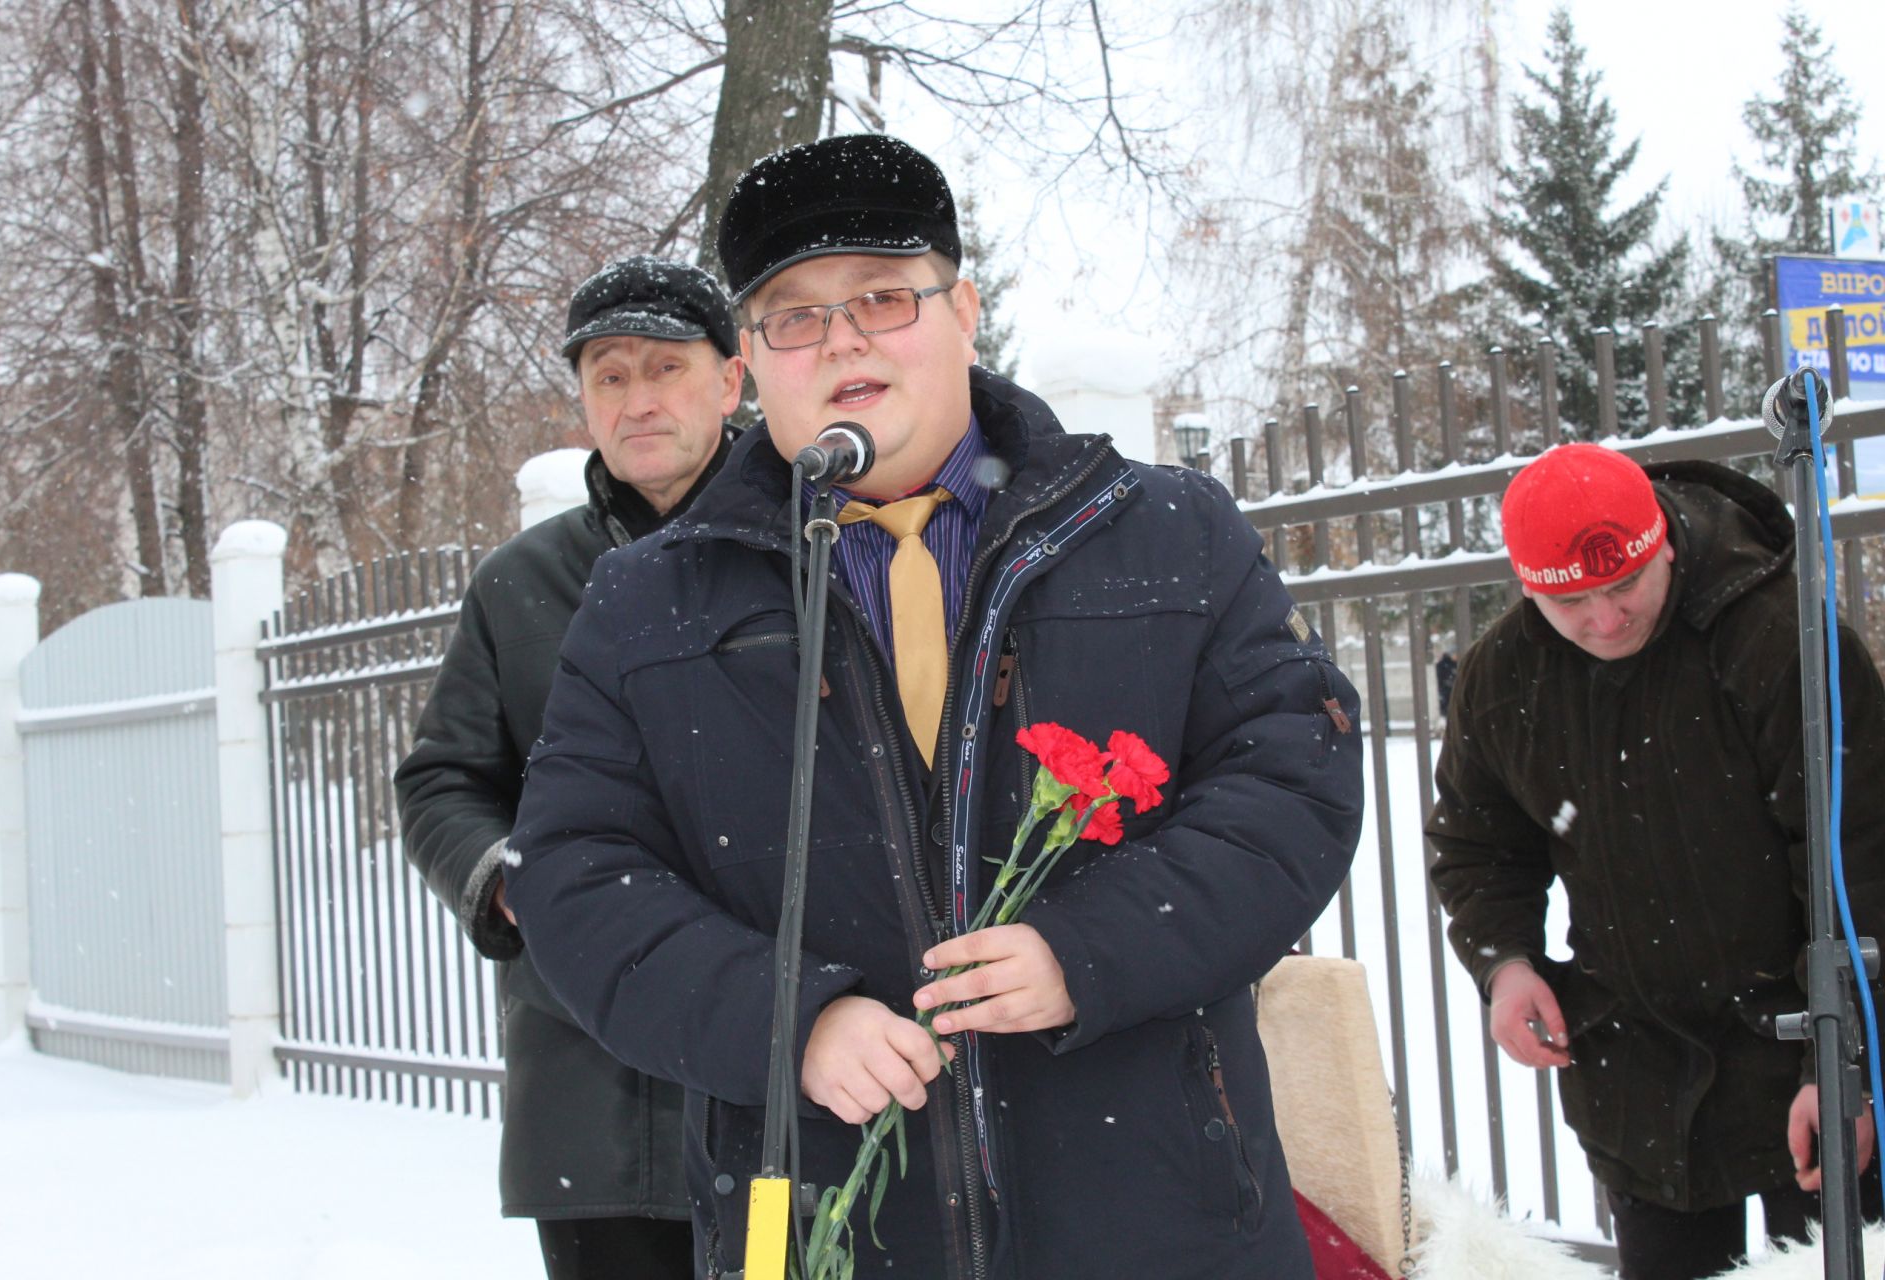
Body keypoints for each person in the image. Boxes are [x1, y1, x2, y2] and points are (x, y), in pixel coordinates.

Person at [503, 133, 1364, 1280]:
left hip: (1160, 1215)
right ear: (753, 361)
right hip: (839, 1221)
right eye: (794, 315)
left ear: (963, 309)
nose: (842, 338)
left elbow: (1292, 775)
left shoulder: (1161, 534)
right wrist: (788, 1022)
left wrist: (1089, 948)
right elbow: (574, 869)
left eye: (882, 296)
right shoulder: (648, 598)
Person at [1426, 442, 1885, 1280]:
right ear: (1528, 586)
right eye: (1571, 601)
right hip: (1636, 1067)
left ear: (1662, 543)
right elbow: (1477, 844)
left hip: (1803, 1044)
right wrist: (1506, 961)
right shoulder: (1505, 675)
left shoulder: (1780, 640)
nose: (1605, 620)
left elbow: (1864, 859)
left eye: (1623, 585)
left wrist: (1844, 1058)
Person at [394, 255, 744, 1280]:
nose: (638, 399)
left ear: (730, 380)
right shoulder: (521, 584)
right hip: (593, 1088)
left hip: (784, 1080)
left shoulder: (814, 549)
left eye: (666, 368)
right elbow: (442, 777)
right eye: (609, 374)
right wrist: (507, 878)